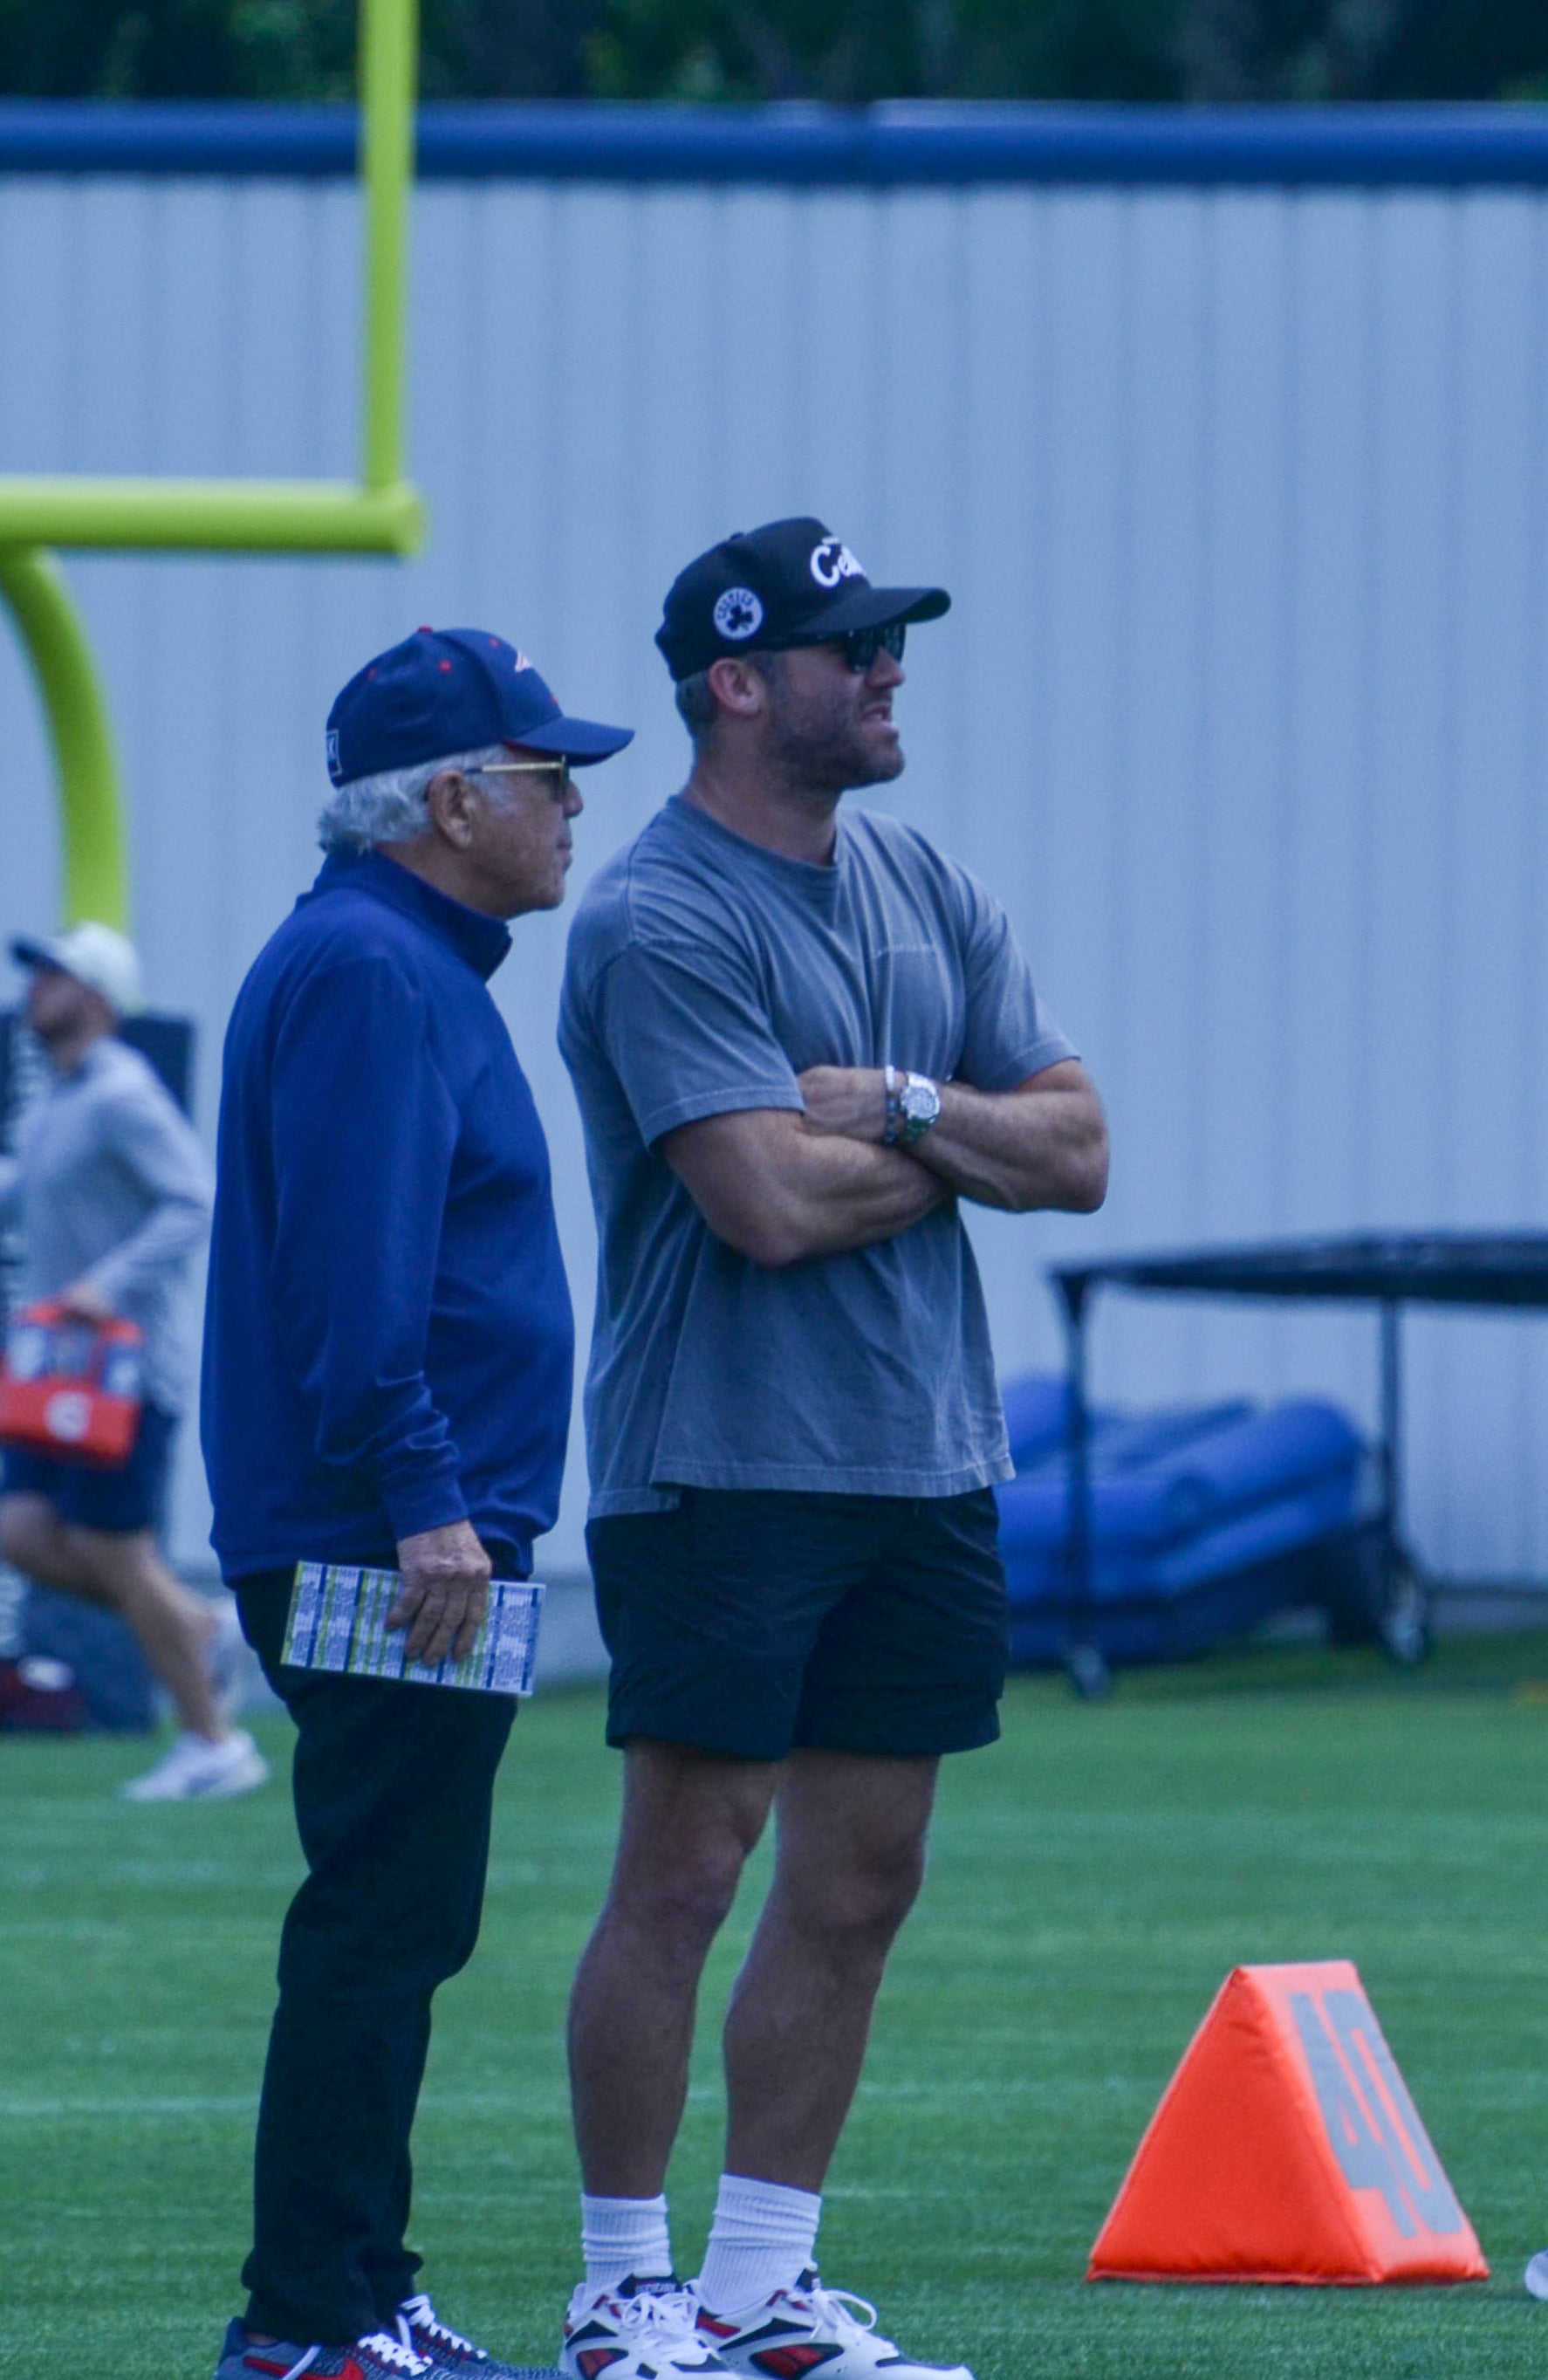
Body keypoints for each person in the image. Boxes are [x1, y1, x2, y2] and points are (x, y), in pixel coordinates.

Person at [557, 519, 1109, 2380]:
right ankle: (623, 2291)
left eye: (888, 642)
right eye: (848, 643)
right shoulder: (658, 917)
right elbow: (761, 1207)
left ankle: (755, 2291)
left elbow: (1080, 1149)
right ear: (735, 680)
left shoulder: (924, 882)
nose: (886, 670)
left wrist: (892, 1100)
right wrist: (961, 1149)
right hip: (719, 1462)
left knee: (862, 1877)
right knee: (687, 1870)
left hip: (920, 1459)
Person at [202, 628, 632, 2380]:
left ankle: (356, 2295)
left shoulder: (401, 963)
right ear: (452, 799)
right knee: (382, 1917)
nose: (571, 804)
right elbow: (356, 1291)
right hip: (392, 1536)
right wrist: (429, 1504)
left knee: (403, 1914)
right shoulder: (377, 971)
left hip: (409, 1523)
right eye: (543, 776)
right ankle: (311, 2318)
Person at [0, 921, 257, 1800]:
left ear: (100, 997)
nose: (34, 988)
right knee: (22, 1533)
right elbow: (28, 1191)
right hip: (55, 1370)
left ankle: (212, 1741)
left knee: (115, 1550)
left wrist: (108, 1284)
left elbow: (192, 1198)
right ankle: (198, 1625)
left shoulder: (123, 1091)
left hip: (124, 1368)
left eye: (54, 975)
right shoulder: (55, 1100)